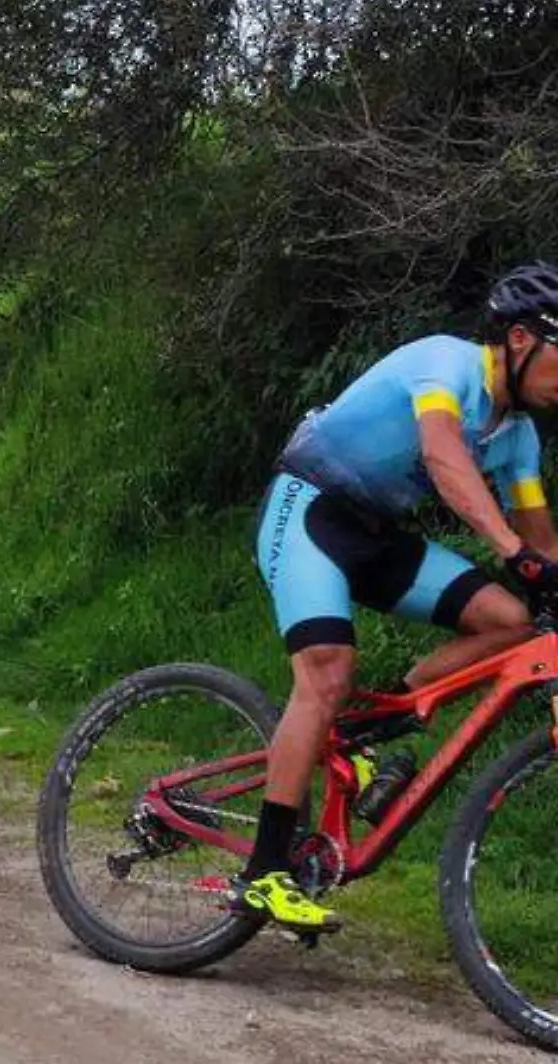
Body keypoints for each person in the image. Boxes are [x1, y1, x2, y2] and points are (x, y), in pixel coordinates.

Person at [236, 262, 558, 931]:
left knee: (511, 620)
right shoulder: (446, 365)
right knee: (325, 670)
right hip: (309, 509)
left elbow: (541, 538)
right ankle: (263, 872)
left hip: (374, 535)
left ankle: (369, 724)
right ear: (523, 340)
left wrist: (541, 564)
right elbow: (444, 459)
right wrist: (511, 551)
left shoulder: (520, 438)